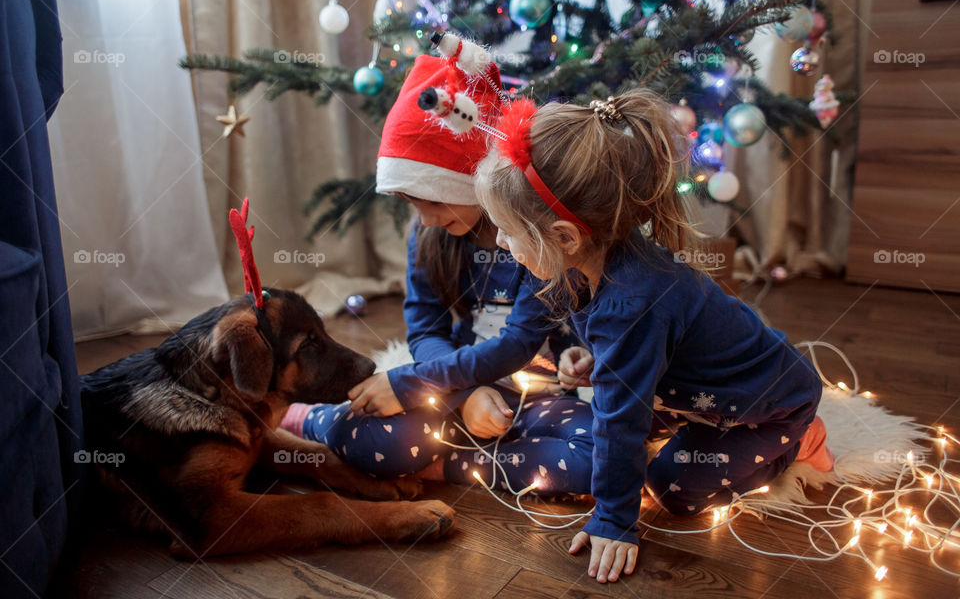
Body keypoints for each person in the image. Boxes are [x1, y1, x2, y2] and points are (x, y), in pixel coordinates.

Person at [474, 90, 833, 583]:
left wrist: (613, 520)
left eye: (506, 231)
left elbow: (619, 422)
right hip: (696, 392)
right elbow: (631, 363)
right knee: (605, 421)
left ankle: (797, 440)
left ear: (564, 237)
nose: (498, 242)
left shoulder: (632, 303)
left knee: (671, 490)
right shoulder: (597, 264)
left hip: (770, 405)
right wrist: (593, 357)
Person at [280, 45, 595, 495]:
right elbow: (425, 330)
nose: (425, 218)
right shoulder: (429, 236)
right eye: (413, 204)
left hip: (536, 395)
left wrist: (412, 384)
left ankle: (443, 466)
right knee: (375, 437)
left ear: (473, 179)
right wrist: (463, 397)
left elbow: (517, 344)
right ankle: (307, 419)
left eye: (432, 199)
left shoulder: (535, 240)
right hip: (452, 386)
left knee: (594, 458)